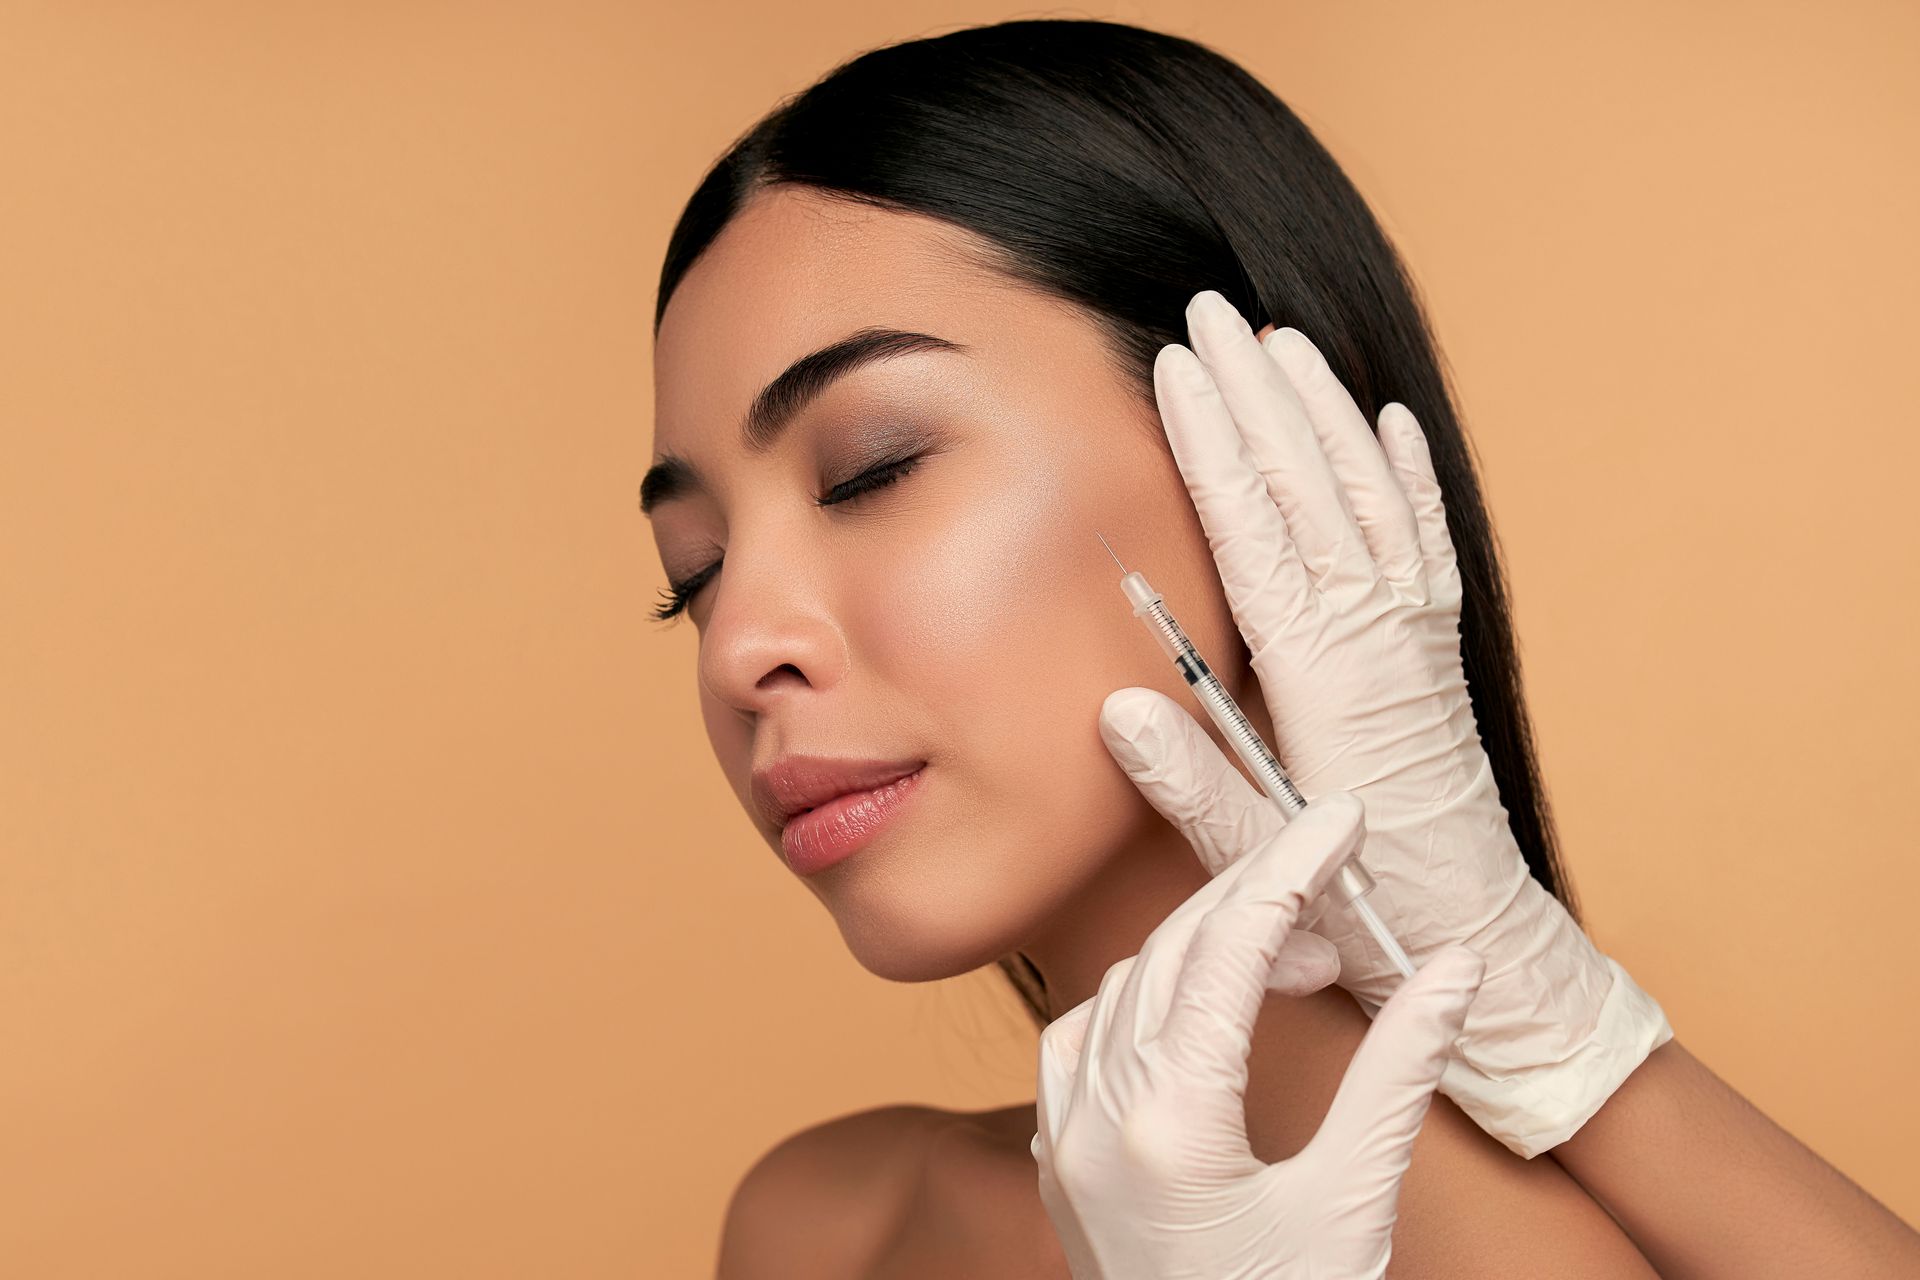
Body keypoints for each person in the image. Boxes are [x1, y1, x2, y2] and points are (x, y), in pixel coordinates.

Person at [641, 18, 1917, 1276]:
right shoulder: (826, 1222)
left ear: (1264, 446)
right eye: (691, 573)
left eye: (872, 469)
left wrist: (1560, 1022)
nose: (738, 644)